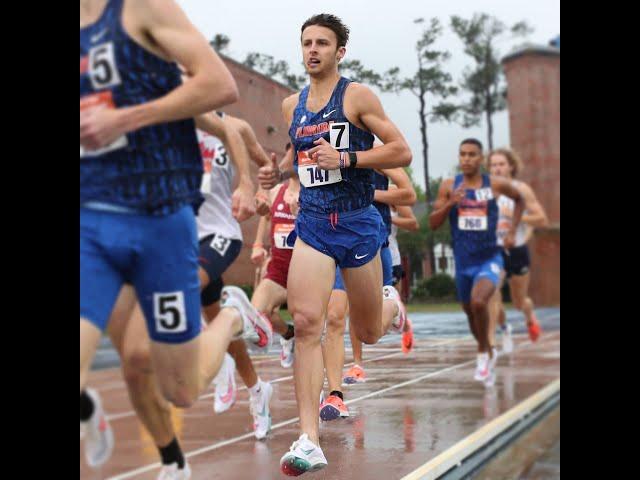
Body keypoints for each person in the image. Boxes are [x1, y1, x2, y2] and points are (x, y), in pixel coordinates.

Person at [80, 0, 240, 470]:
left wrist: (125, 117)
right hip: (90, 221)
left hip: (160, 222)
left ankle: (231, 316)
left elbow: (220, 85)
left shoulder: (139, 8)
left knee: (180, 389)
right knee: (129, 361)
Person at [258, 14, 412, 476]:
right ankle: (308, 439)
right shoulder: (292, 106)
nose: (313, 50)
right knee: (306, 323)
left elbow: (401, 150)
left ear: (339, 51)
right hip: (313, 225)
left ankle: (391, 305)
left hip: (359, 223)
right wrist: (278, 174)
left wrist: (347, 157)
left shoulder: (357, 96)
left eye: (322, 43)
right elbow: (299, 158)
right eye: (306, 42)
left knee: (365, 332)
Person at [429, 138, 524, 388]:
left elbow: (520, 199)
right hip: (463, 261)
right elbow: (433, 223)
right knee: (470, 311)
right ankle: (485, 349)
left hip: (490, 257)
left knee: (479, 301)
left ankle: (483, 354)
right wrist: (451, 203)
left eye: (472, 154)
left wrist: (512, 230)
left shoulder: (495, 185)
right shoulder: (450, 186)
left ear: (480, 159)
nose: (466, 159)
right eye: (463, 154)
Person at [486, 148, 549, 352]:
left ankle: (529, 317)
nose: (497, 168)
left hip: (517, 249)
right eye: (493, 164)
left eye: (501, 164)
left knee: (519, 301)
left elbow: (541, 219)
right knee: (492, 292)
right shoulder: (485, 190)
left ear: (511, 166)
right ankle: (498, 334)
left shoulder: (521, 189)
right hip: (494, 249)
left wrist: (516, 216)